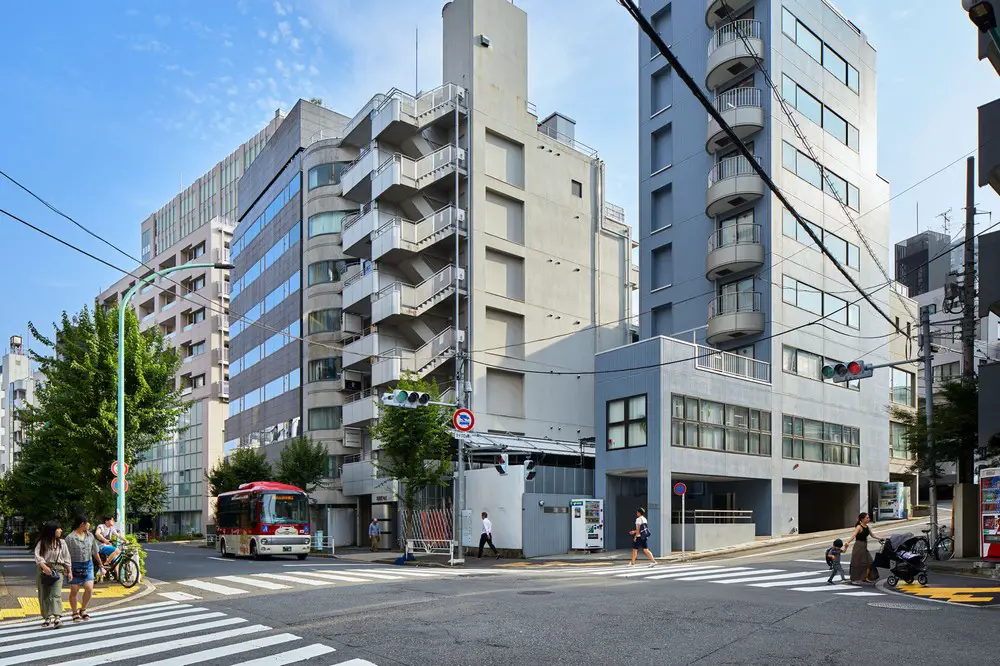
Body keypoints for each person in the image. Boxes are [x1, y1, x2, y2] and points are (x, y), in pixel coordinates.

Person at [34, 521, 70, 628]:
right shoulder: (42, 542)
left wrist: (69, 570)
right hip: (43, 570)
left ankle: (57, 618)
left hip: (58, 569)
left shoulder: (62, 542)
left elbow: (66, 557)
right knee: (44, 594)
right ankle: (47, 617)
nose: (60, 531)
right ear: (52, 531)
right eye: (58, 529)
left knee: (56, 593)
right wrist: (44, 567)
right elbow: (38, 556)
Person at [64, 516, 101, 621]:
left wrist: (101, 564)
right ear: (82, 524)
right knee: (74, 590)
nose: (89, 525)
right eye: (88, 523)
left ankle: (83, 609)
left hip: (88, 564)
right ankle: (74, 612)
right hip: (74, 565)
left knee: (89, 588)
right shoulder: (70, 538)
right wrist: (67, 568)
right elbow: (65, 554)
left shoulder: (90, 536)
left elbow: (95, 551)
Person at [843, 512, 884, 585]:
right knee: (857, 563)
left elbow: (873, 535)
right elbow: (853, 535)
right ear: (862, 519)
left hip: (864, 546)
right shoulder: (859, 527)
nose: (869, 519)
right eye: (867, 518)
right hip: (858, 546)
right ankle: (855, 579)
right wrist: (848, 542)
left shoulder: (867, 527)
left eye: (868, 517)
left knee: (870, 562)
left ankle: (865, 577)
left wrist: (882, 538)